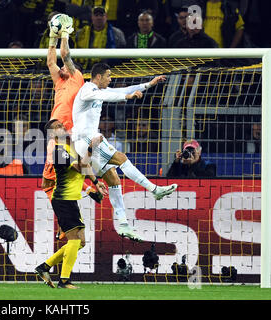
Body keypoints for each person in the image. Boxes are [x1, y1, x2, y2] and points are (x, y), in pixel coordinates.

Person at [72, 62, 178, 241]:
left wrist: (148, 85)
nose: (110, 78)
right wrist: (128, 96)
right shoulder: (87, 89)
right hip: (88, 140)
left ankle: (123, 224)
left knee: (113, 178)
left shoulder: (98, 91)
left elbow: (119, 90)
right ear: (98, 76)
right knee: (121, 158)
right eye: (108, 75)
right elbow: (114, 96)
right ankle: (154, 189)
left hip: (87, 142)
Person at [35, 120, 107, 289]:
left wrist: (97, 183)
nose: (62, 127)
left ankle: (44, 267)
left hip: (71, 199)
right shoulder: (58, 151)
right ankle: (64, 281)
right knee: (74, 239)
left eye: (61, 125)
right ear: (52, 134)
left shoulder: (69, 147)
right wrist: (92, 147)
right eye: (57, 127)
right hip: (62, 199)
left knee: (81, 241)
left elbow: (85, 165)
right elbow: (81, 168)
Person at [42, 13, 103, 208]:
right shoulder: (60, 80)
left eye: (65, 67)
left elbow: (65, 56)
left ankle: (88, 190)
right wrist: (52, 38)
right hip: (57, 131)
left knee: (65, 172)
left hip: (72, 132)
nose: (61, 68)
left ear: (73, 69)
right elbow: (51, 62)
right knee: (55, 176)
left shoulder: (77, 77)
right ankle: (89, 190)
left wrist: (65, 35)